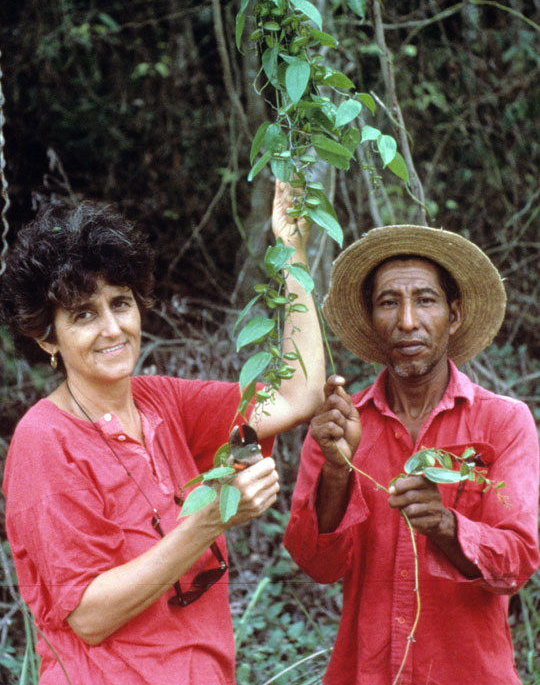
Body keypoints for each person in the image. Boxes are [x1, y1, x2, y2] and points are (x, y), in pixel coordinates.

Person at [1, 180, 325, 685]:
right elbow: (88, 615)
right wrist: (211, 520)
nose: (112, 328)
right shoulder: (45, 440)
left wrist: (292, 253)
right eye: (84, 314)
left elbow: (297, 395)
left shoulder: (163, 402)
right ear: (46, 337)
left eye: (121, 303)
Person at [283, 224, 539, 685]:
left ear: (453, 315)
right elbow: (316, 565)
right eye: (388, 302)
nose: (406, 321)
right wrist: (338, 471)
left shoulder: (504, 422)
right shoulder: (339, 424)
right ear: (370, 319)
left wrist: (445, 526)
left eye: (425, 300)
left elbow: (516, 563)